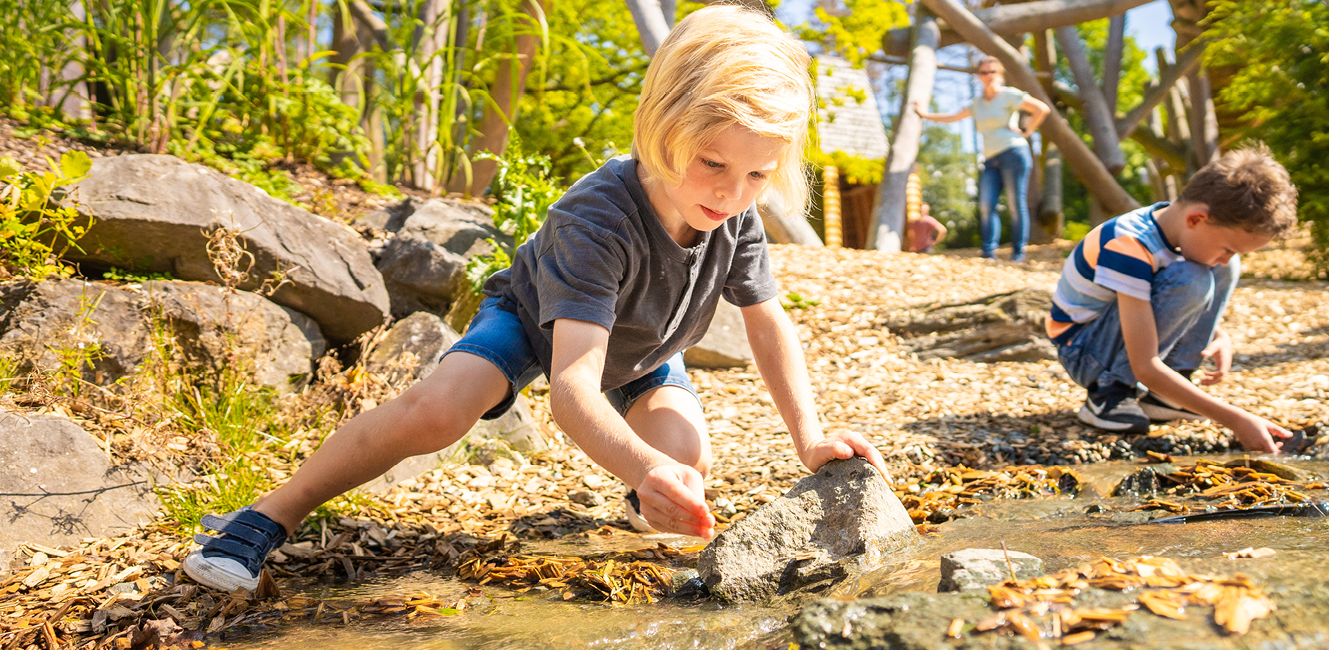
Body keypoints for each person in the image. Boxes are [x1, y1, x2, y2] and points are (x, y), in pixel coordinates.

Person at [179, 5, 891, 593]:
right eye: (712, 164)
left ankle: (647, 490)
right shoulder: (599, 219)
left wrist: (808, 436)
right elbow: (571, 385)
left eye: (757, 174)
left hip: (646, 348)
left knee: (686, 457)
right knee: (439, 411)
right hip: (532, 321)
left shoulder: (735, 215)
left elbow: (770, 328)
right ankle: (269, 515)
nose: (731, 194)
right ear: (663, 124)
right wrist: (640, 467)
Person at [1047, 146, 1299, 452]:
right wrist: (1235, 419)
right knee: (1192, 278)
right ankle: (1109, 391)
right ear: (1196, 219)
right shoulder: (1129, 244)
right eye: (1227, 247)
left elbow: (1157, 297)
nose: (1225, 258)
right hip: (1085, 352)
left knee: (1217, 269)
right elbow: (1146, 365)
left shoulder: (1178, 231)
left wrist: (1218, 334)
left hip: (1118, 336)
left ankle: (1168, 391)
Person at [914, 57, 1051, 262]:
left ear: (1000, 74)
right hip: (990, 158)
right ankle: (988, 253)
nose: (988, 76)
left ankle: (1018, 253)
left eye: (992, 72)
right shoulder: (976, 104)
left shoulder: (1009, 95)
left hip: (1013, 152)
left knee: (1015, 204)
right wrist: (924, 114)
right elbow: (952, 117)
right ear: (978, 76)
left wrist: (1027, 130)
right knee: (986, 205)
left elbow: (1042, 109)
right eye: (984, 73)